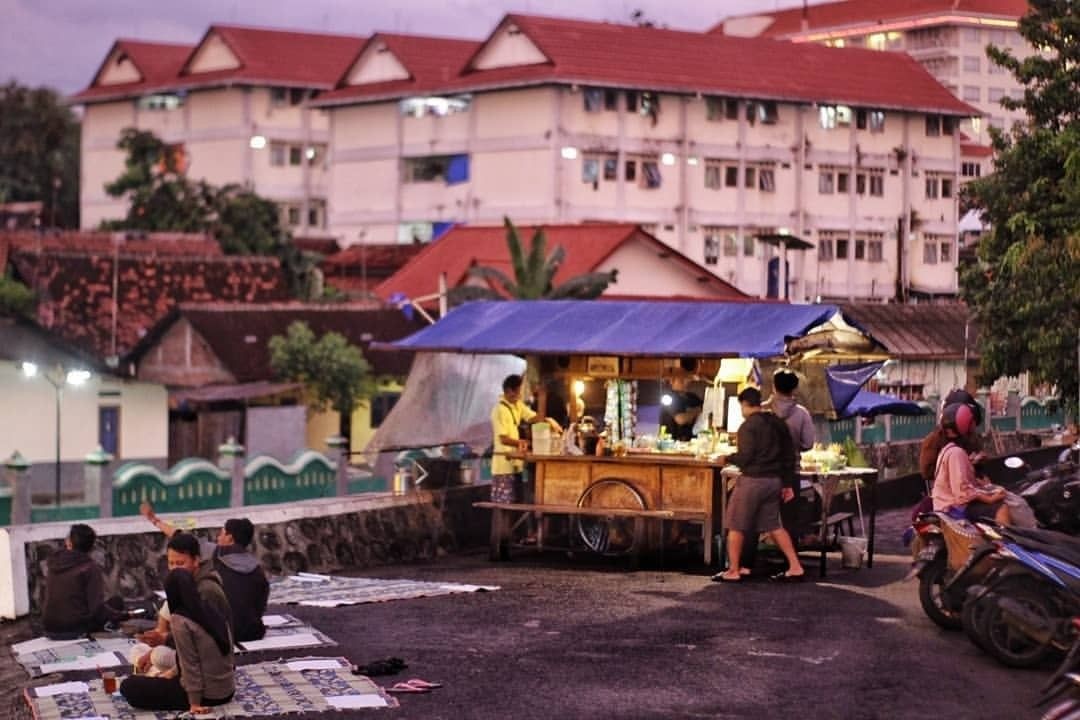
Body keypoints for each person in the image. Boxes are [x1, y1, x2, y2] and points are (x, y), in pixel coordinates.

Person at [712, 387, 806, 583]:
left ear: (744, 405)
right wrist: (787, 483)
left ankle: (734, 570)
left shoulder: (747, 427)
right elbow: (789, 455)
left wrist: (726, 458)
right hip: (774, 482)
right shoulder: (777, 423)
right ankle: (795, 567)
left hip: (752, 481)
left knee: (735, 524)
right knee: (774, 525)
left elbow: (746, 457)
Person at [141, 502, 268, 642]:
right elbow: (260, 607)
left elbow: (179, 536)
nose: (218, 538)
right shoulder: (258, 569)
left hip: (223, 633)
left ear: (230, 538)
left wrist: (154, 520)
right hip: (251, 633)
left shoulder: (215, 552)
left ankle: (161, 632)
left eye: (221, 533)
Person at [120, 568, 235, 714]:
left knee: (129, 686)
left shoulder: (180, 620)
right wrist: (171, 674)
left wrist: (194, 703)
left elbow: (190, 664)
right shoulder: (209, 608)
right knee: (147, 656)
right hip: (227, 690)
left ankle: (156, 675)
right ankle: (159, 674)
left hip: (208, 695)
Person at [135, 532, 232, 672]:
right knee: (139, 650)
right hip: (183, 652)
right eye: (171, 563)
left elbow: (204, 643)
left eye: (180, 563)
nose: (174, 569)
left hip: (207, 662)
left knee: (158, 656)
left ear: (196, 561)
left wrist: (164, 641)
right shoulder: (183, 584)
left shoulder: (206, 591)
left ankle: (159, 675)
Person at [41, 524, 127, 639]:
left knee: (111, 605)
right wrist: (124, 615)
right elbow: (97, 610)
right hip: (75, 628)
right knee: (117, 602)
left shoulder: (53, 563)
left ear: (69, 543)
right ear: (91, 546)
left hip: (49, 627)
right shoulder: (89, 568)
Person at [932, 402, 1011, 524]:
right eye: (971, 425)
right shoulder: (956, 453)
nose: (974, 429)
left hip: (946, 504)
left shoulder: (948, 449)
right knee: (1002, 508)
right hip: (952, 508)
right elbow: (962, 492)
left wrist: (981, 485)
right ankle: (1004, 542)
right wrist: (989, 498)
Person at [490, 374, 561, 504]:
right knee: (503, 505)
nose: (520, 394)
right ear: (509, 391)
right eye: (518, 391)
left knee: (515, 502)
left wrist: (549, 421)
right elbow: (503, 439)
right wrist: (521, 442)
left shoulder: (517, 405)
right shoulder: (499, 410)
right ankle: (500, 525)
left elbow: (532, 417)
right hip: (503, 466)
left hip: (515, 464)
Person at [765, 368, 816, 544]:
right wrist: (795, 448)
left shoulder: (763, 411)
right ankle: (790, 559)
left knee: (763, 515)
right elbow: (808, 443)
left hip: (764, 472)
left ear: (773, 387)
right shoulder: (802, 413)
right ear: (794, 389)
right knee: (789, 518)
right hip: (790, 473)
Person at [659, 375, 703, 441]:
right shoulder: (667, 397)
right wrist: (696, 411)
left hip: (692, 442)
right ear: (671, 380)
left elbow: (705, 413)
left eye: (688, 379)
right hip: (670, 442)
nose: (687, 381)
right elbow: (680, 419)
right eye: (682, 379)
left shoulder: (693, 397)